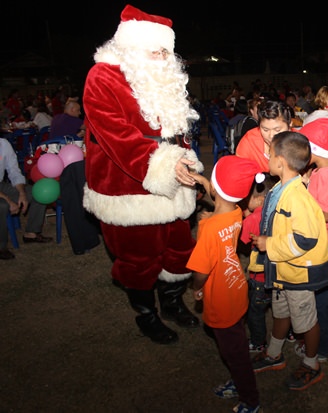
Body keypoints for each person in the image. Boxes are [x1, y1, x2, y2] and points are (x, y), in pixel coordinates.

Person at [82, 5, 203, 344]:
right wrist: (163, 163)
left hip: (174, 180)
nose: (164, 57)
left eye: (167, 50)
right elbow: (116, 136)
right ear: (131, 47)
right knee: (139, 258)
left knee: (179, 249)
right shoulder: (102, 77)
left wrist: (185, 160)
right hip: (127, 186)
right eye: (156, 50)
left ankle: (172, 303)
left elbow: (174, 130)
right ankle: (146, 314)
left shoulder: (163, 78)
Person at [250, 131, 328, 391]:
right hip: (283, 271)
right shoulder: (281, 188)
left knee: (306, 321)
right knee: (281, 312)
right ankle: (275, 354)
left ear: (281, 162)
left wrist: (269, 244)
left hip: (298, 274)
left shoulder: (298, 197)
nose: (267, 157)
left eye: (270, 153)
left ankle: (312, 364)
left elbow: (305, 239)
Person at [187, 155, 264, 413]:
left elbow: (200, 271)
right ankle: (239, 382)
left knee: (236, 355)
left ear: (216, 189)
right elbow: (221, 195)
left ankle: (250, 400)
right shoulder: (236, 211)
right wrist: (201, 180)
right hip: (237, 291)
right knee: (236, 345)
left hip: (221, 300)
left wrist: (197, 287)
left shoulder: (208, 230)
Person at [296, 118, 328, 362]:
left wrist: (303, 199)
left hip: (322, 242)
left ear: (313, 149)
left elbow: (325, 214)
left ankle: (322, 347)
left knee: (318, 296)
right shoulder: (324, 170)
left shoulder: (325, 174)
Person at [239, 176, 276, 353]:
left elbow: (243, 241)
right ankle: (292, 333)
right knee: (282, 308)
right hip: (277, 272)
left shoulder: (252, 220)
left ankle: (258, 342)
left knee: (255, 312)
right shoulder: (276, 211)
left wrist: (246, 218)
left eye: (248, 198)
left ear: (260, 199)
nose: (245, 201)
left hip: (258, 278)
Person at [0, 138, 53, 259]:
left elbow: (14, 171)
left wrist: (22, 193)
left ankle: (31, 233)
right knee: (2, 206)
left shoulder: (3, 144)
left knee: (38, 192)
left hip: (1, 185)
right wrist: (8, 200)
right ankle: (1, 246)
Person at [236, 100, 292, 172]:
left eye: (277, 130)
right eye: (265, 130)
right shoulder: (250, 142)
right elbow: (239, 172)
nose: (271, 135)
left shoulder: (300, 143)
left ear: (289, 125)